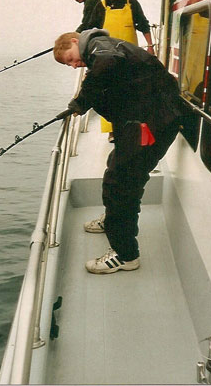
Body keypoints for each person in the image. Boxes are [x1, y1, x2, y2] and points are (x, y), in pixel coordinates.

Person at [53, 28, 183, 274]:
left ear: (74, 41)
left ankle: (125, 255)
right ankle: (112, 219)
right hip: (141, 119)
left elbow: (107, 64)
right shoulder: (103, 49)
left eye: (70, 59)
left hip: (151, 123)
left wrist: (80, 102)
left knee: (122, 183)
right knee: (115, 170)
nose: (73, 65)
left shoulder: (100, 48)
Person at [90, 0, 154, 140]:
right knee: (110, 92)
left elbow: (143, 24)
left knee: (133, 91)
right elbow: (92, 30)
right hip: (108, 56)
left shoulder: (130, 1)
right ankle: (112, 130)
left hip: (130, 55)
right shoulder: (101, 6)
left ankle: (134, 126)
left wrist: (150, 46)